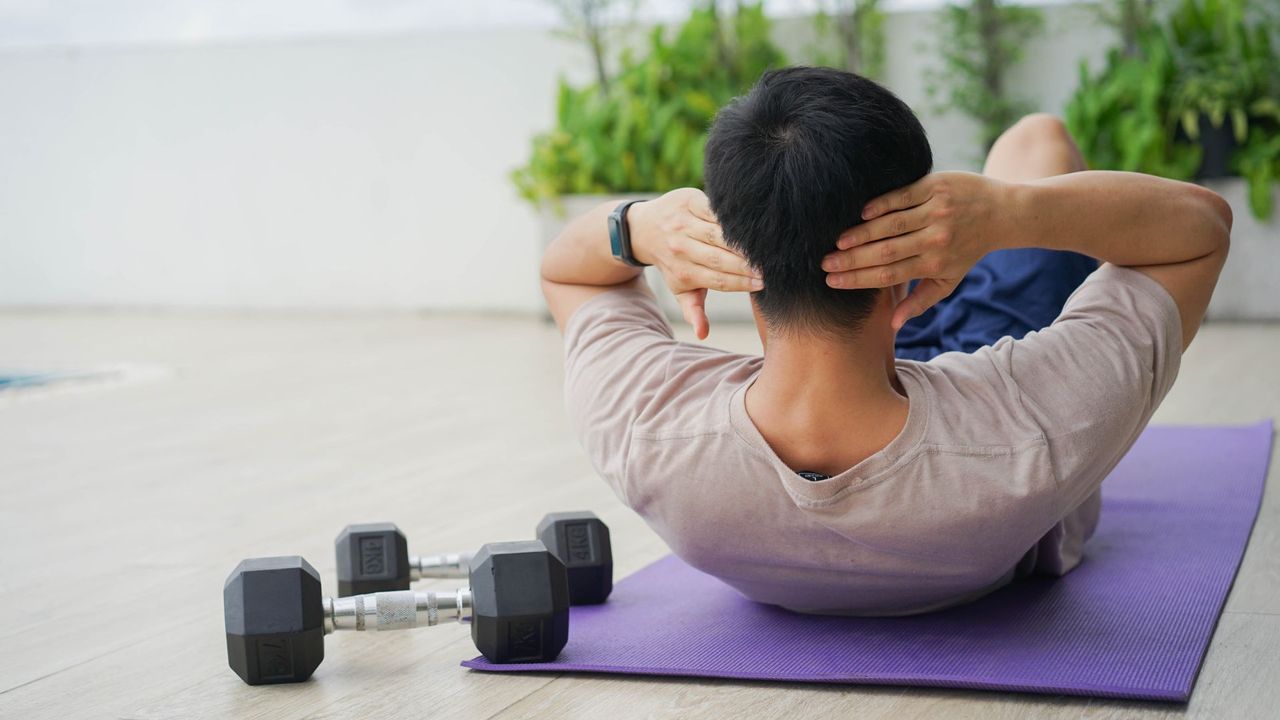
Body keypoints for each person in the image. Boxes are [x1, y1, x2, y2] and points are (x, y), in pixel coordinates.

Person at [538, 66, 1231, 615]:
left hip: (904, 373)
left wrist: (638, 227)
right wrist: (1003, 212)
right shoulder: (1033, 427)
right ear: (912, 261)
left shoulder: (648, 428)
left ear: (740, 261)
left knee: (1032, 143)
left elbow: (569, 274)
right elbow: (1200, 231)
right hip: (984, 383)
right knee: (1036, 142)